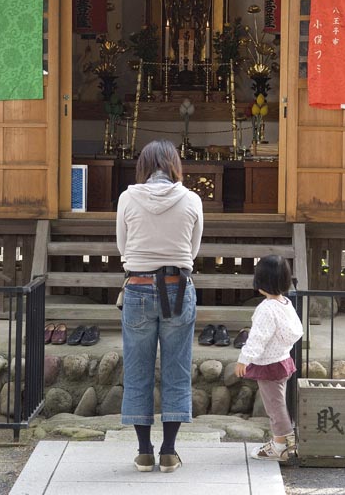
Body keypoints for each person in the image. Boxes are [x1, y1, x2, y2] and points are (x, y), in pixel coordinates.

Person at [116, 139, 203, 473]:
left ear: (143, 166)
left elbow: (122, 244)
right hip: (178, 288)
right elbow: (192, 248)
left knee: (138, 370)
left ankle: (143, 452)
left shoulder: (127, 198)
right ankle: (169, 451)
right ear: (173, 166)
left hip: (137, 287)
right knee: (177, 370)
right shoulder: (192, 199)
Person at [234, 255, 303, 461]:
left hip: (269, 364)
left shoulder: (266, 308)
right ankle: (283, 442)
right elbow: (295, 330)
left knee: (275, 407)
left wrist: (243, 359)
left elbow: (257, 338)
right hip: (282, 360)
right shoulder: (285, 303)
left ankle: (280, 446)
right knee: (278, 403)